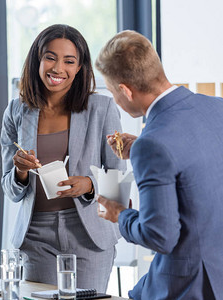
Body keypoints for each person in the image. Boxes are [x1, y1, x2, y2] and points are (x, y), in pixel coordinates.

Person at [95, 30, 223, 300]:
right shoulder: (217, 108)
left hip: (191, 287)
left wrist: (120, 214)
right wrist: (144, 145)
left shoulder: (153, 145)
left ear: (125, 91)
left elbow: (158, 236)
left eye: (111, 91)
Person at [0, 24, 125, 291]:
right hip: (36, 236)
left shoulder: (102, 109)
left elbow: (118, 181)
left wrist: (90, 185)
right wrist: (20, 172)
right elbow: (9, 190)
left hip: (89, 235)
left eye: (69, 61)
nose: (58, 69)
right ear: (37, 59)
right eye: (50, 57)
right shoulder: (16, 111)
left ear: (80, 68)